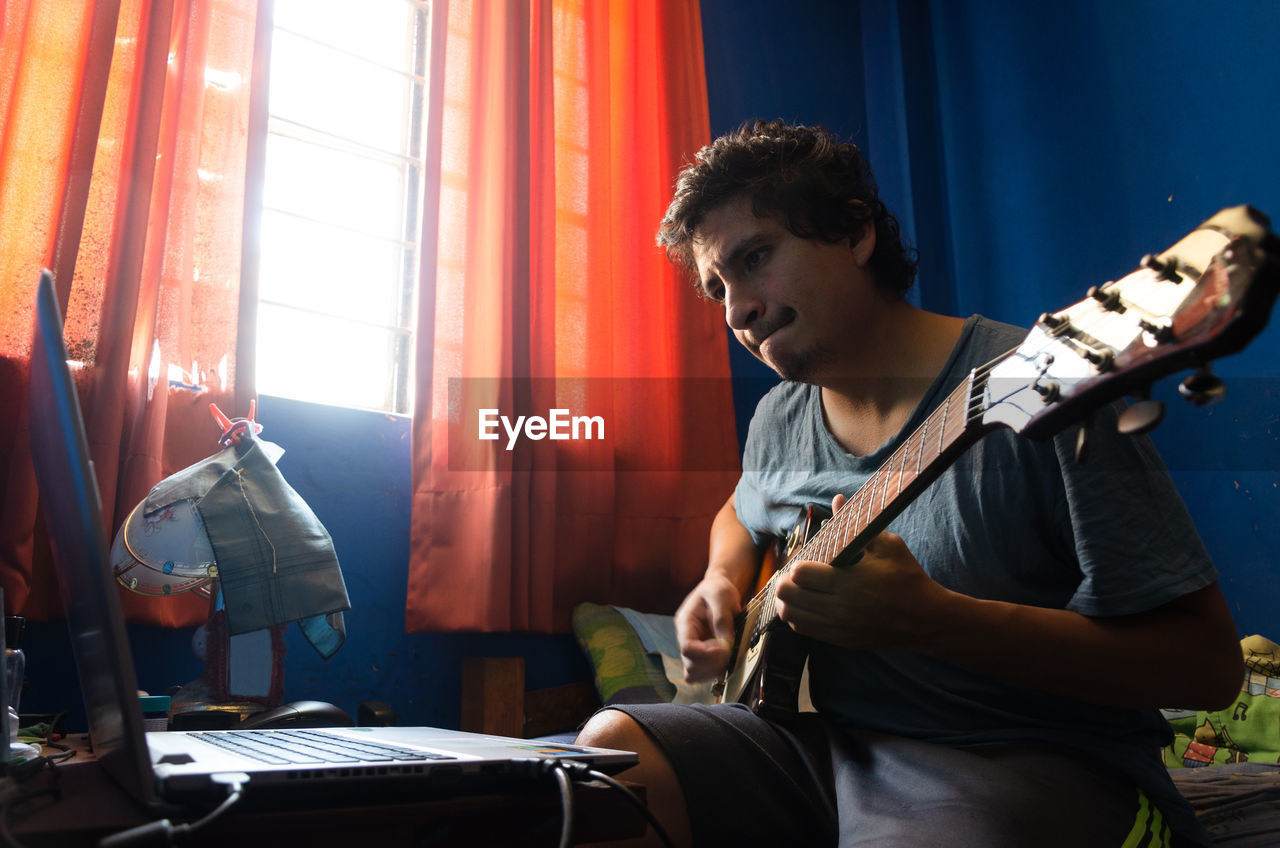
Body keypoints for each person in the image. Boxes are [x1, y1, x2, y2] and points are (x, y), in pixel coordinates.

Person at [575, 120, 1242, 847]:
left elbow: (1206, 669)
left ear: (855, 234)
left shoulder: (1049, 385)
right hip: (826, 749)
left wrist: (934, 620)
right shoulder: (778, 417)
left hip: (1036, 760)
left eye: (756, 258)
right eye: (718, 288)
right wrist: (722, 581)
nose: (737, 310)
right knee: (612, 755)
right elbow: (741, 512)